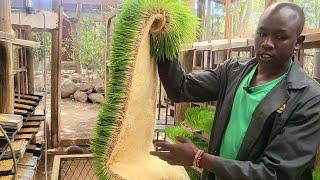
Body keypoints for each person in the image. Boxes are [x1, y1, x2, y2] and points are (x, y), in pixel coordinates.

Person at [150, 2, 320, 180]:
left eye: (280, 37)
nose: (267, 43)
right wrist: (165, 35)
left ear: (298, 43)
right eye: (262, 33)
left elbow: (274, 174)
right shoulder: (233, 71)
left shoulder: (308, 98)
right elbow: (180, 88)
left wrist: (198, 158)